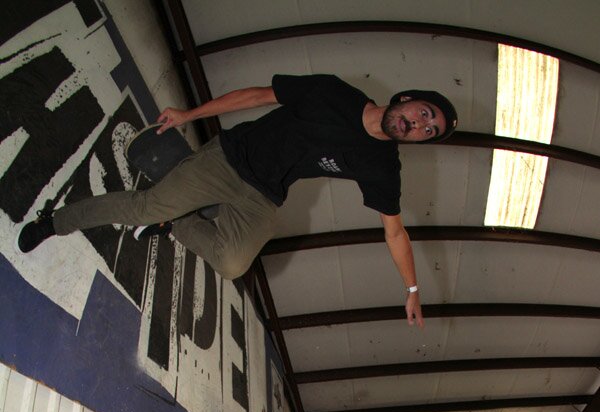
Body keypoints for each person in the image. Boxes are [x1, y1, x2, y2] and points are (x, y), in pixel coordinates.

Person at [18, 75, 457, 325]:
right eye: (423, 112)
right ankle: (55, 220)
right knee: (146, 206)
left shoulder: (382, 164)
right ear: (406, 98)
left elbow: (394, 230)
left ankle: (178, 222)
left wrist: (413, 289)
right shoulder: (332, 93)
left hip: (264, 197)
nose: (419, 124)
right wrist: (188, 115)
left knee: (232, 264)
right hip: (229, 159)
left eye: (428, 129)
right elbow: (255, 96)